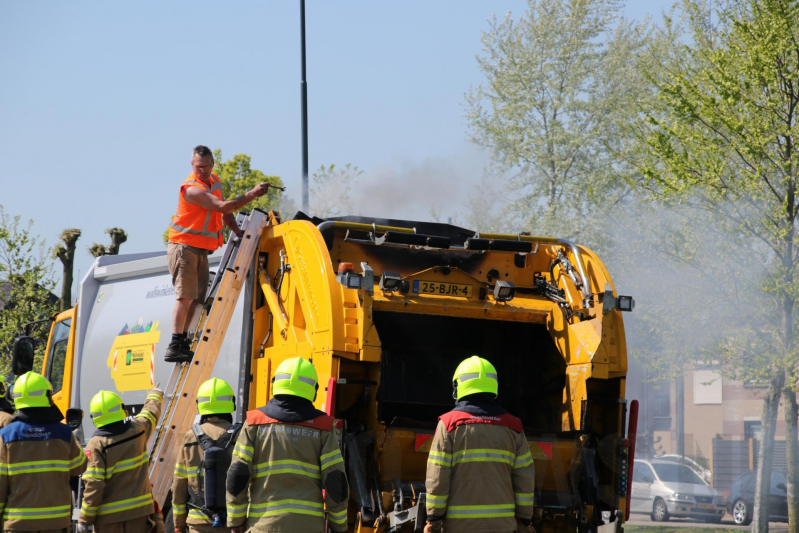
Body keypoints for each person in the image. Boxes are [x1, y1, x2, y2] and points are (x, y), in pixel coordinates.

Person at [165, 145, 273, 363]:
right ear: (192, 165)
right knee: (185, 297)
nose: (202, 171)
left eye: (205, 166)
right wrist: (252, 193)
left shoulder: (213, 181)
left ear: (212, 164)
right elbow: (223, 207)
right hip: (183, 247)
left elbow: (225, 214)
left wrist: (237, 231)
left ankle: (183, 341)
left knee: (197, 300)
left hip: (200, 250)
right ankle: (175, 343)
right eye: (198, 167)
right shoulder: (191, 189)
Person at [226, 357, 349, 533]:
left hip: (263, 527)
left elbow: (237, 475)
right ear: (313, 390)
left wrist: (236, 522)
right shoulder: (323, 427)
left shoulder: (254, 423)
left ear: (275, 383)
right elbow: (335, 482)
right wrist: (339, 526)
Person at [424, 356, 535, 533]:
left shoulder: (449, 424)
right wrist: (524, 520)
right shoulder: (514, 427)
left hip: (458, 528)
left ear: (458, 386)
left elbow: (438, 476)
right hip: (502, 527)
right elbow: (525, 479)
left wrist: (434, 519)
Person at [0, 371, 87, 532]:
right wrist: (75, 440)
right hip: (56, 523)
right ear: (47, 396)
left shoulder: (6, 435)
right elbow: (79, 467)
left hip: (18, 524)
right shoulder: (64, 432)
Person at [78, 387, 164, 533]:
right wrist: (155, 394)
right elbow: (150, 413)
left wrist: (85, 520)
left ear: (94, 418)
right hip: (140, 515)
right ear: (123, 410)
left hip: (109, 521)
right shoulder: (138, 429)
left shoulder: (97, 444)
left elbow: (94, 485)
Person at [173, 378, 241, 533]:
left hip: (198, 522)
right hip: (232, 523)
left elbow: (179, 485)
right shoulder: (241, 436)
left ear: (199, 406)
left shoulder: (190, 438)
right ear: (232, 404)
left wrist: (179, 524)